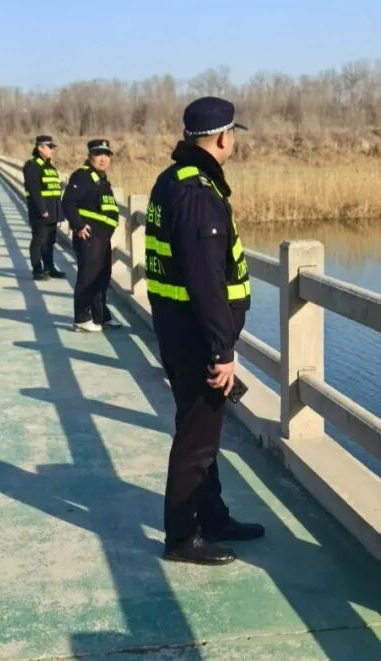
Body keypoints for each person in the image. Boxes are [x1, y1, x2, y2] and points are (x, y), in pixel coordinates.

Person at [145, 97, 263, 565]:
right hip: (198, 340)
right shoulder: (197, 193)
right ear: (222, 138)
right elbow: (206, 281)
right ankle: (181, 537)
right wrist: (221, 350)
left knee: (201, 434)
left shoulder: (171, 180)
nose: (233, 142)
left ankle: (212, 516)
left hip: (179, 331)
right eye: (233, 135)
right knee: (196, 441)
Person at [63, 139, 123, 333]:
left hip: (102, 238)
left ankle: (101, 315)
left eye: (106, 155)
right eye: (98, 155)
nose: (103, 159)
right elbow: (68, 202)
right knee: (88, 278)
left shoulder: (101, 178)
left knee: (102, 277)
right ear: (90, 156)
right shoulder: (82, 176)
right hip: (89, 237)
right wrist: (78, 225)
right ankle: (81, 318)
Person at [22, 135, 65, 280]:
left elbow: (54, 190)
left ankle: (49, 267)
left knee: (50, 241)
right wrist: (42, 209)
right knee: (39, 240)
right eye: (49, 147)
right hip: (41, 212)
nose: (52, 150)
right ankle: (37, 269)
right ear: (40, 148)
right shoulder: (32, 166)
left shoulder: (50, 167)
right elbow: (34, 190)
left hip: (53, 210)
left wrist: (59, 211)